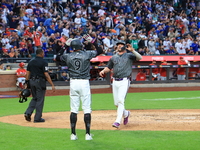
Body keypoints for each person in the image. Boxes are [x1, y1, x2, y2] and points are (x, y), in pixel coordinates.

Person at [56, 37, 103, 140]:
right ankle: (87, 134)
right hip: (84, 82)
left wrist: (64, 46)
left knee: (74, 109)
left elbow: (57, 57)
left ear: (72, 47)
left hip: (73, 82)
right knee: (86, 109)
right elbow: (100, 50)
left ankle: (73, 134)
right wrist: (92, 41)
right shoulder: (86, 54)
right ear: (81, 46)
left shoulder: (68, 55)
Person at [99, 40, 142, 128]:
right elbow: (109, 67)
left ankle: (117, 121)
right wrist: (103, 71)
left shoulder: (129, 55)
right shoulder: (113, 57)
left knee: (120, 100)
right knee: (116, 103)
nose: (119, 46)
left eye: (121, 45)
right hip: (115, 81)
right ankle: (126, 113)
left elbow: (140, 57)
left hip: (124, 81)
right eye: (118, 45)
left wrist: (132, 50)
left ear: (124, 47)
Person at [24, 48, 55, 123]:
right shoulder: (44, 62)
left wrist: (26, 83)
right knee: (40, 99)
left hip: (32, 81)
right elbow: (46, 74)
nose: (44, 54)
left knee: (35, 98)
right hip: (39, 82)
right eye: (43, 53)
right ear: (41, 53)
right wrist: (52, 84)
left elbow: (27, 73)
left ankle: (28, 112)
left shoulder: (31, 61)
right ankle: (37, 118)